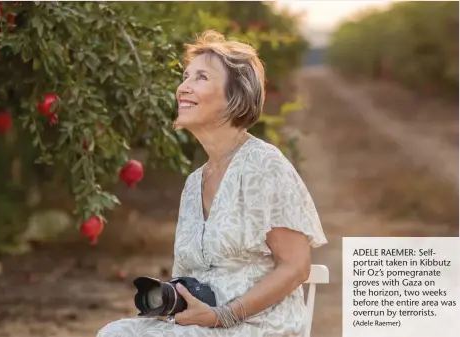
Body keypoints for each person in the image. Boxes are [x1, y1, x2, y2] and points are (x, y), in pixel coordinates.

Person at [96, 30, 327, 337]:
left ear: (234, 96)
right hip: (202, 325)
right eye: (185, 76)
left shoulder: (263, 165)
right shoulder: (194, 183)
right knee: (115, 333)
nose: (183, 88)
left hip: (258, 325)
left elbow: (296, 266)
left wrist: (224, 315)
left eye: (201, 78)